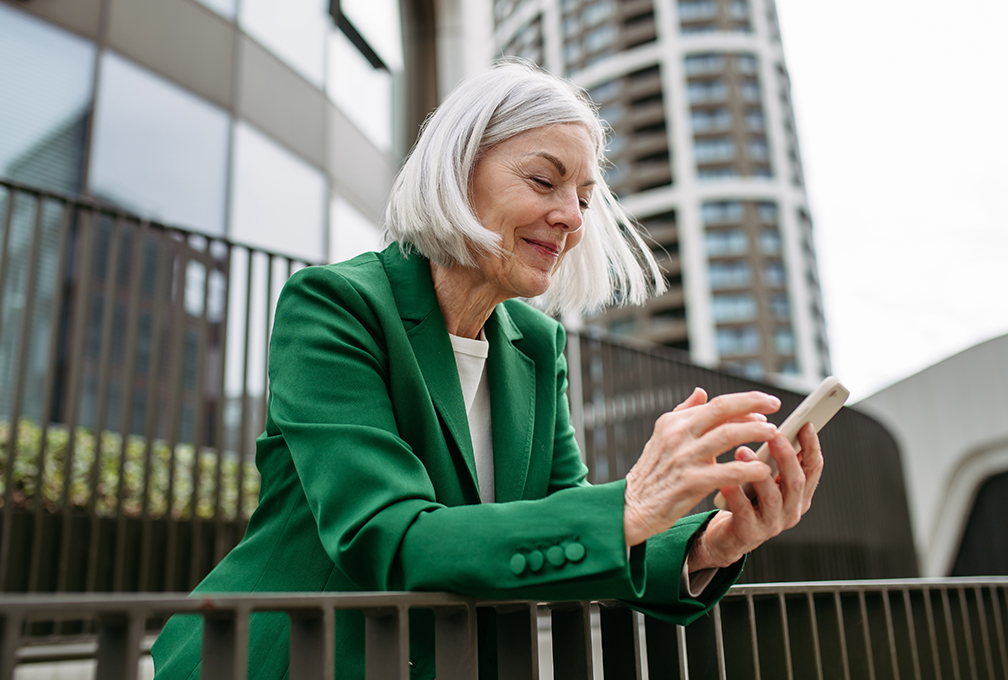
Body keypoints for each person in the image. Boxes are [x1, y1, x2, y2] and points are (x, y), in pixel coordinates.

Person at [152, 60, 823, 679]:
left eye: (585, 197)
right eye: (544, 180)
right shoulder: (336, 304)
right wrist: (632, 504)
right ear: (457, 167)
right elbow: (389, 538)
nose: (570, 217)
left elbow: (562, 526)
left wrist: (707, 543)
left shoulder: (535, 343)